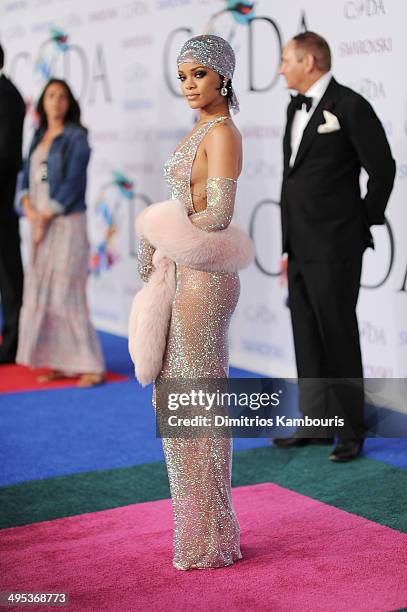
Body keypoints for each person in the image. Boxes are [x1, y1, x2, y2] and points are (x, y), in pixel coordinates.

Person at [131, 35, 253, 570]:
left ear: (222, 76)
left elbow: (219, 214)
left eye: (198, 75)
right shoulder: (200, 129)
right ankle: (201, 533)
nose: (188, 85)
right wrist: (161, 243)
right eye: (182, 76)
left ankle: (210, 539)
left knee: (195, 404)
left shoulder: (223, 133)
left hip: (203, 281)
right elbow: (187, 205)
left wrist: (162, 235)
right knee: (175, 401)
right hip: (182, 274)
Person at [274, 32, 396, 461]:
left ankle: (350, 429)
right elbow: (293, 183)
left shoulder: (350, 105)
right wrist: (287, 244)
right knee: (305, 333)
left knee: (338, 334)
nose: (279, 68)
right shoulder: (295, 105)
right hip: (301, 245)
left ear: (308, 61)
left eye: (286, 59)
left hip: (336, 246)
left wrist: (360, 223)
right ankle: (315, 421)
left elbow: (383, 169)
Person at [16, 78, 105, 387]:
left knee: (68, 293)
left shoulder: (76, 137)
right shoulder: (37, 136)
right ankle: (57, 360)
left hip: (65, 222)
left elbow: (73, 183)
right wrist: (27, 207)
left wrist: (45, 215)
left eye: (62, 97)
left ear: (69, 103)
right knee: (44, 292)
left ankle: (91, 364)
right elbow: (25, 177)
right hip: (38, 221)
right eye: (51, 96)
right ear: (42, 102)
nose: (56, 102)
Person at [0, 42, 25, 364]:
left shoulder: (6, 95)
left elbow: (5, 155)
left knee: (9, 275)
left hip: (1, 203)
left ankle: (14, 343)